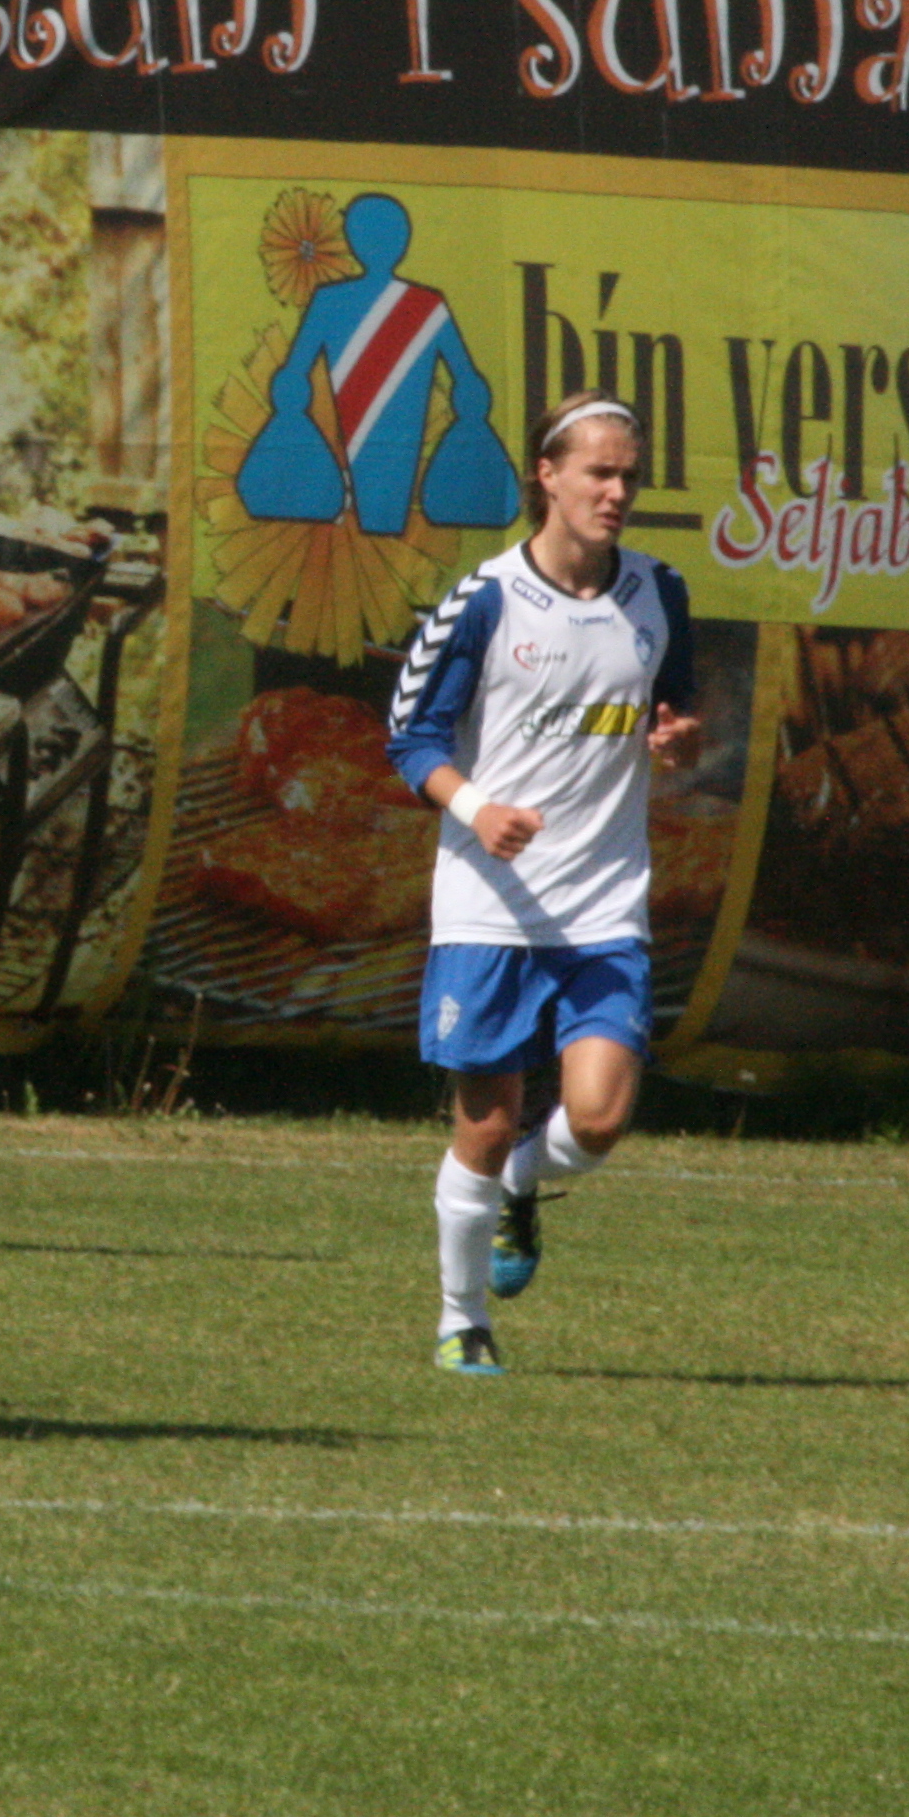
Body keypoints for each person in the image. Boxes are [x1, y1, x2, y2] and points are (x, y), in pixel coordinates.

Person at [384, 394, 701, 1378]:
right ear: (547, 476)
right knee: (484, 1120)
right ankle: (461, 1321)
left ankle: (524, 1182)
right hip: (493, 903)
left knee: (598, 1120)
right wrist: (477, 808)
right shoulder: (486, 599)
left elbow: (674, 709)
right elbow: (410, 735)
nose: (616, 491)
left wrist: (677, 738)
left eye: (630, 475)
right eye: (599, 472)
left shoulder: (661, 593)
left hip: (604, 902)